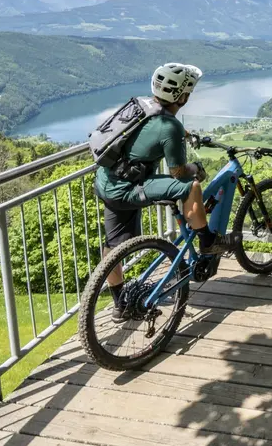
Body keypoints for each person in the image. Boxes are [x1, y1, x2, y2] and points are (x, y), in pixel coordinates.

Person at [94, 62, 233, 320]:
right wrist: (196, 167)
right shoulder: (171, 128)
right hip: (128, 188)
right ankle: (207, 240)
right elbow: (178, 172)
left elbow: (150, 130)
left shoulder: (142, 105)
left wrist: (185, 134)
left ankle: (119, 304)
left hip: (106, 182)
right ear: (182, 97)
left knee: (113, 247)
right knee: (191, 185)